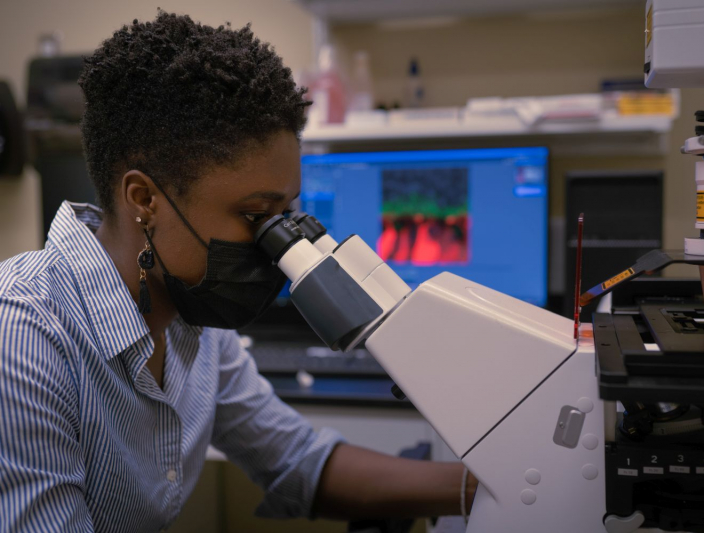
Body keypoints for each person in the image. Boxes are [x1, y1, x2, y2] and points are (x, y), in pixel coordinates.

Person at [0, 12, 475, 532]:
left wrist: (486, 486)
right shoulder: (23, 333)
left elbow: (297, 461)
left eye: (284, 216)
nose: (275, 249)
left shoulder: (192, 318)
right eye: (254, 217)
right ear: (144, 200)